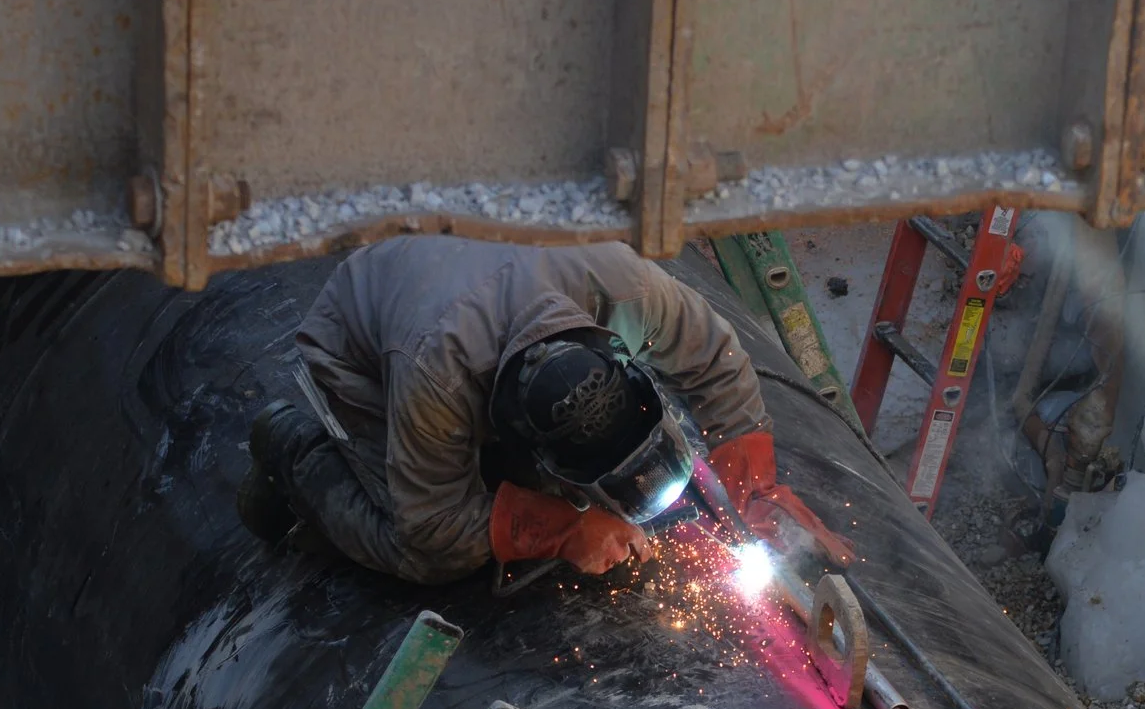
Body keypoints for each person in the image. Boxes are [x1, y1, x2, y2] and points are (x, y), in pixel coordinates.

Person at [237, 235, 844, 583]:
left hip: (470, 275)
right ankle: (295, 451)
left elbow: (713, 359)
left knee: (573, 494)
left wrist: (754, 486)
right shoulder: (435, 382)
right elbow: (432, 522)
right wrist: (566, 529)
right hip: (363, 358)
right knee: (436, 559)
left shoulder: (622, 285)